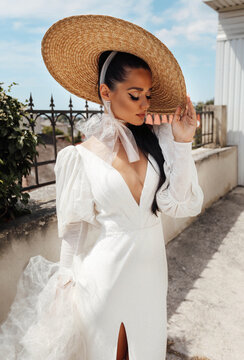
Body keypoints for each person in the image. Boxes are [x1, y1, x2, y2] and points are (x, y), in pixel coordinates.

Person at [0, 15, 204, 360]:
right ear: (105, 92)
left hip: (152, 274)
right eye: (135, 94)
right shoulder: (78, 158)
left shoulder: (159, 141)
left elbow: (180, 205)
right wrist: (64, 287)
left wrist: (182, 143)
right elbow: (74, 231)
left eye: (148, 95)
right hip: (103, 279)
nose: (145, 104)